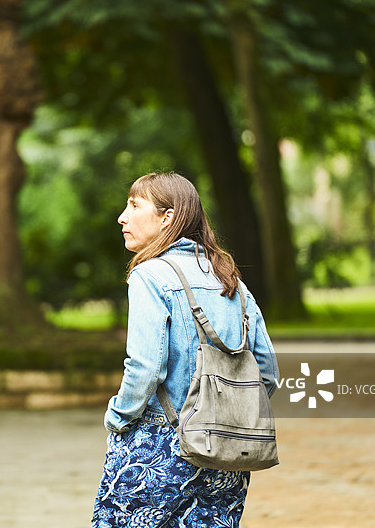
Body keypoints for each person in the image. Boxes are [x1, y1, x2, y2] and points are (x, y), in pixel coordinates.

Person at [92, 172, 279, 527]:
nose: (122, 217)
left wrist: (118, 417)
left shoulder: (150, 275)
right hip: (226, 451)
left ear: (168, 217)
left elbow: (145, 367)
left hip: (159, 442)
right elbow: (267, 371)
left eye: (134, 205)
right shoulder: (230, 280)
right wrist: (229, 414)